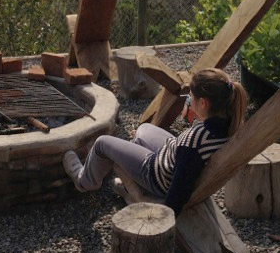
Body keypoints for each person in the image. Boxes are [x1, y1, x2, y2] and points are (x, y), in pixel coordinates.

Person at [62, 67, 247, 216]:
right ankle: (129, 177)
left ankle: (84, 181)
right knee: (143, 130)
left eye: (191, 97)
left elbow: (179, 188)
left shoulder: (193, 142)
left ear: (204, 103)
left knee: (102, 143)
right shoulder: (228, 124)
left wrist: (165, 216)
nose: (189, 101)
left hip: (155, 175)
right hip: (171, 156)